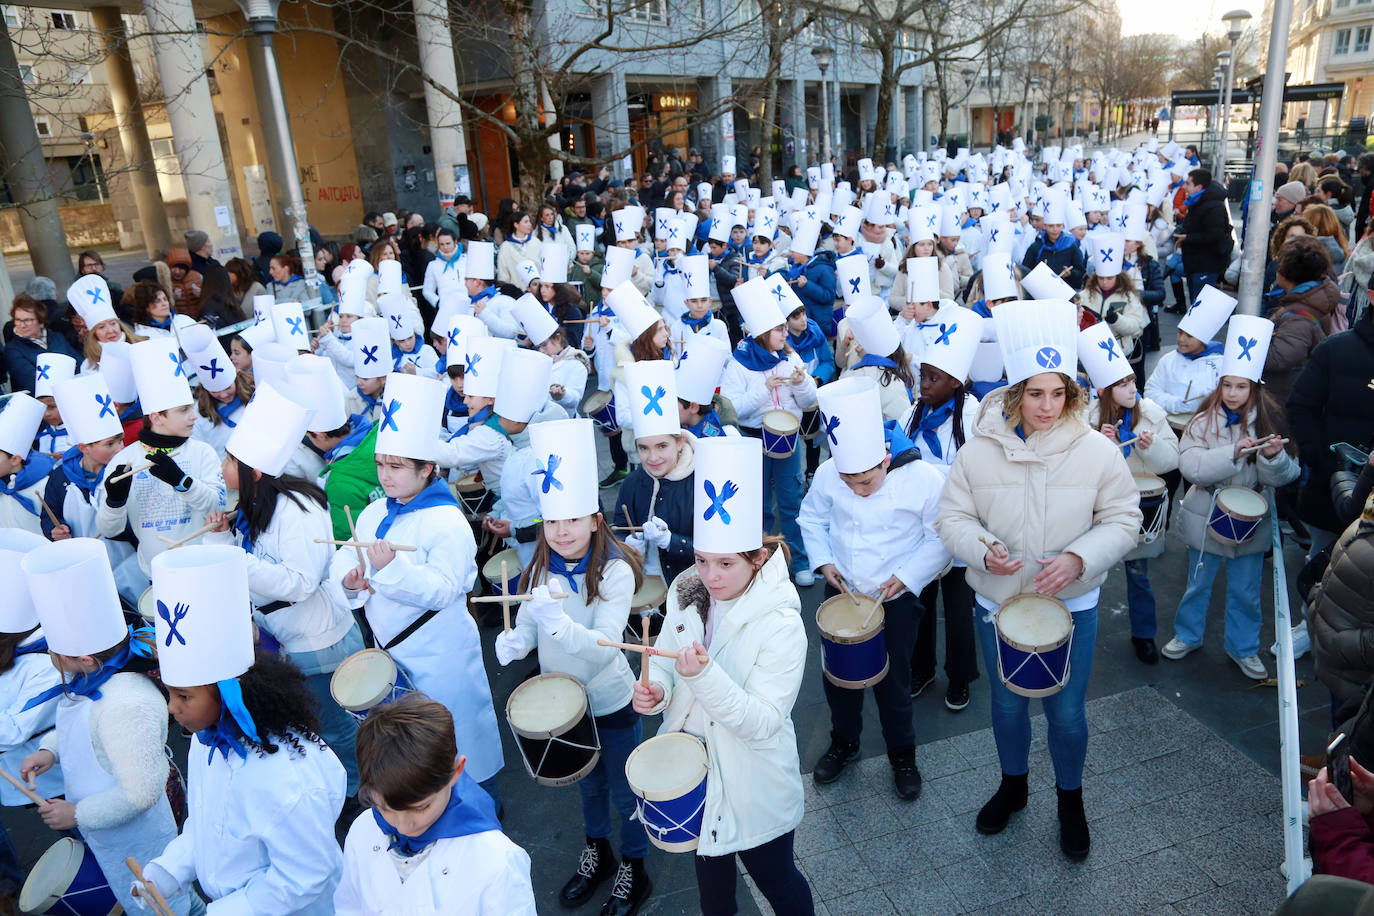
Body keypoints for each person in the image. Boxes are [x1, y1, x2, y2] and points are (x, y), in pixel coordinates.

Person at [936, 299, 1140, 860]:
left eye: (1058, 393)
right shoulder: (978, 452)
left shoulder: (1097, 451)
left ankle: (1069, 800)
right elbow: (952, 518)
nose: (1046, 407)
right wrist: (981, 550)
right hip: (998, 604)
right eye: (1034, 393)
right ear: (1014, 393)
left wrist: (1080, 558)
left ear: (1072, 393)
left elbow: (1124, 517)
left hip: (1070, 607)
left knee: (1067, 712)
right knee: (1004, 707)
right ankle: (1013, 786)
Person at [631, 436, 814, 915]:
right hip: (695, 768)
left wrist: (705, 677)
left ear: (756, 558)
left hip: (752, 777)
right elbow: (670, 658)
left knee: (780, 883)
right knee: (714, 895)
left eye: (726, 563)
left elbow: (762, 722)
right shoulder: (687, 591)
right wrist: (659, 688)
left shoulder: (781, 623)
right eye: (703, 560)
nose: (710, 576)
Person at [495, 418, 653, 915]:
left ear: (594, 520)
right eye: (551, 522)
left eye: (572, 520)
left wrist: (556, 623)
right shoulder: (541, 564)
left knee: (627, 788)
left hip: (609, 698)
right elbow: (526, 620)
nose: (560, 531)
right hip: (565, 700)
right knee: (588, 782)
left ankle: (635, 864)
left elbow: (607, 646)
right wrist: (515, 641)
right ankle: (599, 850)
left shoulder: (617, 570)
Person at [327, 373, 505, 806]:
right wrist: (349, 580)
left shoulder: (447, 521)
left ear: (427, 468)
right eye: (382, 464)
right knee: (411, 751)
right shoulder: (372, 512)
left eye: (396, 467)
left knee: (457, 738)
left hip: (441, 653)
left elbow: (444, 590)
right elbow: (346, 556)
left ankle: (483, 809)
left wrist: (392, 569)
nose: (385, 476)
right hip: (392, 652)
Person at [140, 546, 345, 913]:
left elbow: (307, 873)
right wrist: (167, 871)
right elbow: (206, 824)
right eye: (169, 693)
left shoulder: (284, 776)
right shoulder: (205, 742)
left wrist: (224, 911)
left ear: (228, 694)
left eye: (184, 696)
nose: (172, 708)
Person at [203, 383, 364, 800]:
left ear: (255, 472)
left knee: (334, 727)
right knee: (316, 724)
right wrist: (222, 539)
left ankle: (358, 794)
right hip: (290, 634)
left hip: (319, 639)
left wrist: (235, 561)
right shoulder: (259, 504)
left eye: (228, 460)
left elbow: (300, 581)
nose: (222, 467)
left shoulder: (297, 507)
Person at [19, 539, 190, 916]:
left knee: (164, 906)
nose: (49, 656)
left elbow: (141, 794)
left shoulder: (126, 702)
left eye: (53, 650)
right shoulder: (89, 683)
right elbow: (85, 730)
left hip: (140, 841)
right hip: (109, 836)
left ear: (83, 658)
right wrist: (51, 750)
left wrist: (76, 814)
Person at [799, 376, 950, 797]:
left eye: (866, 482)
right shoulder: (831, 473)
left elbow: (940, 537)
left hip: (895, 597)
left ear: (886, 458)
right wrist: (824, 562)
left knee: (893, 680)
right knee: (838, 678)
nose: (858, 492)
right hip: (844, 592)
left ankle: (902, 753)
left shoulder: (923, 479)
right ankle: (843, 744)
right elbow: (811, 518)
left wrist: (907, 577)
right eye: (850, 484)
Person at [1162, 315, 1300, 679]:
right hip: (1206, 513)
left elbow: (1289, 475)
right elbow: (1190, 466)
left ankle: (1243, 648)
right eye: (1228, 386)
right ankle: (1187, 635)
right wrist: (1232, 454)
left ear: (1254, 388)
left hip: (1251, 517)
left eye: (1241, 387)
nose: (1233, 394)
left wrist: (1273, 458)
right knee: (1197, 583)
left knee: (1246, 591)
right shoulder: (1201, 421)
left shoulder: (1271, 421)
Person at [334, 695, 536, 914]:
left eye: (421, 807)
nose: (404, 826)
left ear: (456, 771)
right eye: (385, 808)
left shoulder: (496, 860)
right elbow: (349, 905)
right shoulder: (363, 830)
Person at [1081, 322, 1180, 664]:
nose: (1130, 388)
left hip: (1136, 508)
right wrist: (1099, 441)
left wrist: (1150, 448)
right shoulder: (1086, 418)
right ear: (1105, 390)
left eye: (1132, 381)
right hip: (1097, 509)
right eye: (1122, 384)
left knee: (1138, 575)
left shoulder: (1149, 414)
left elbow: (1171, 461)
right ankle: (1079, 633)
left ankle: (1144, 634)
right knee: (1088, 574)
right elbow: (1074, 465)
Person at [897, 315, 982, 710]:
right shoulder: (912, 412)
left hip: (962, 523)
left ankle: (961, 675)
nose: (923, 385)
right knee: (921, 601)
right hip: (920, 528)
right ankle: (922, 666)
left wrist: (920, 469)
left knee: (960, 606)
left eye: (932, 379)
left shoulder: (975, 416)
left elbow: (976, 469)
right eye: (922, 376)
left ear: (956, 382)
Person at [98, 339, 227, 576]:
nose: (194, 416)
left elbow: (219, 504)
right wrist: (114, 502)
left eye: (192, 407)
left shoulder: (202, 451)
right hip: (157, 573)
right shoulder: (123, 461)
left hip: (207, 565)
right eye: (184, 410)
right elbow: (109, 529)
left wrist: (182, 482)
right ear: (157, 417)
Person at [719, 276, 818, 585]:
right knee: (758, 504)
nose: (785, 333)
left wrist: (802, 383)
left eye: (785, 328)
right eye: (779, 329)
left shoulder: (790, 358)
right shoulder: (739, 364)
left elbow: (810, 401)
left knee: (792, 501)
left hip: (789, 438)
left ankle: (798, 560)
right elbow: (734, 409)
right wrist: (764, 388)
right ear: (762, 333)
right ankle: (761, 561)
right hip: (754, 439)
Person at [614, 361, 698, 588]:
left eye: (662, 446)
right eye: (644, 448)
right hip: (643, 585)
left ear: (680, 442)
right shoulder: (632, 483)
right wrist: (627, 546)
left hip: (688, 586)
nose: (652, 457)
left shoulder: (701, 480)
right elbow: (617, 530)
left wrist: (672, 541)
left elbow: (716, 546)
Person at [1265, 236, 1340, 405]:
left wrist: (1249, 352)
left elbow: (1281, 357)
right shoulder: (1312, 296)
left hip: (1284, 395)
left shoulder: (1298, 316)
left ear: (1285, 274)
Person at [3, 293, 81, 394]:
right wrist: (68, 369)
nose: (22, 325)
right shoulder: (12, 350)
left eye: (28, 320)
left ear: (41, 322)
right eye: (18, 320)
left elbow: (80, 364)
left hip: (73, 392)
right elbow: (34, 382)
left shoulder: (57, 337)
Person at [1176, 168, 1234, 303]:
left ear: (1199, 187)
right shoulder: (1197, 201)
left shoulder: (1213, 207)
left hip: (1206, 263)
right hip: (1194, 261)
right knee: (1195, 301)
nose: (1184, 187)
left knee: (1200, 302)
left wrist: (1187, 238)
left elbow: (1214, 235)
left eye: (1188, 183)